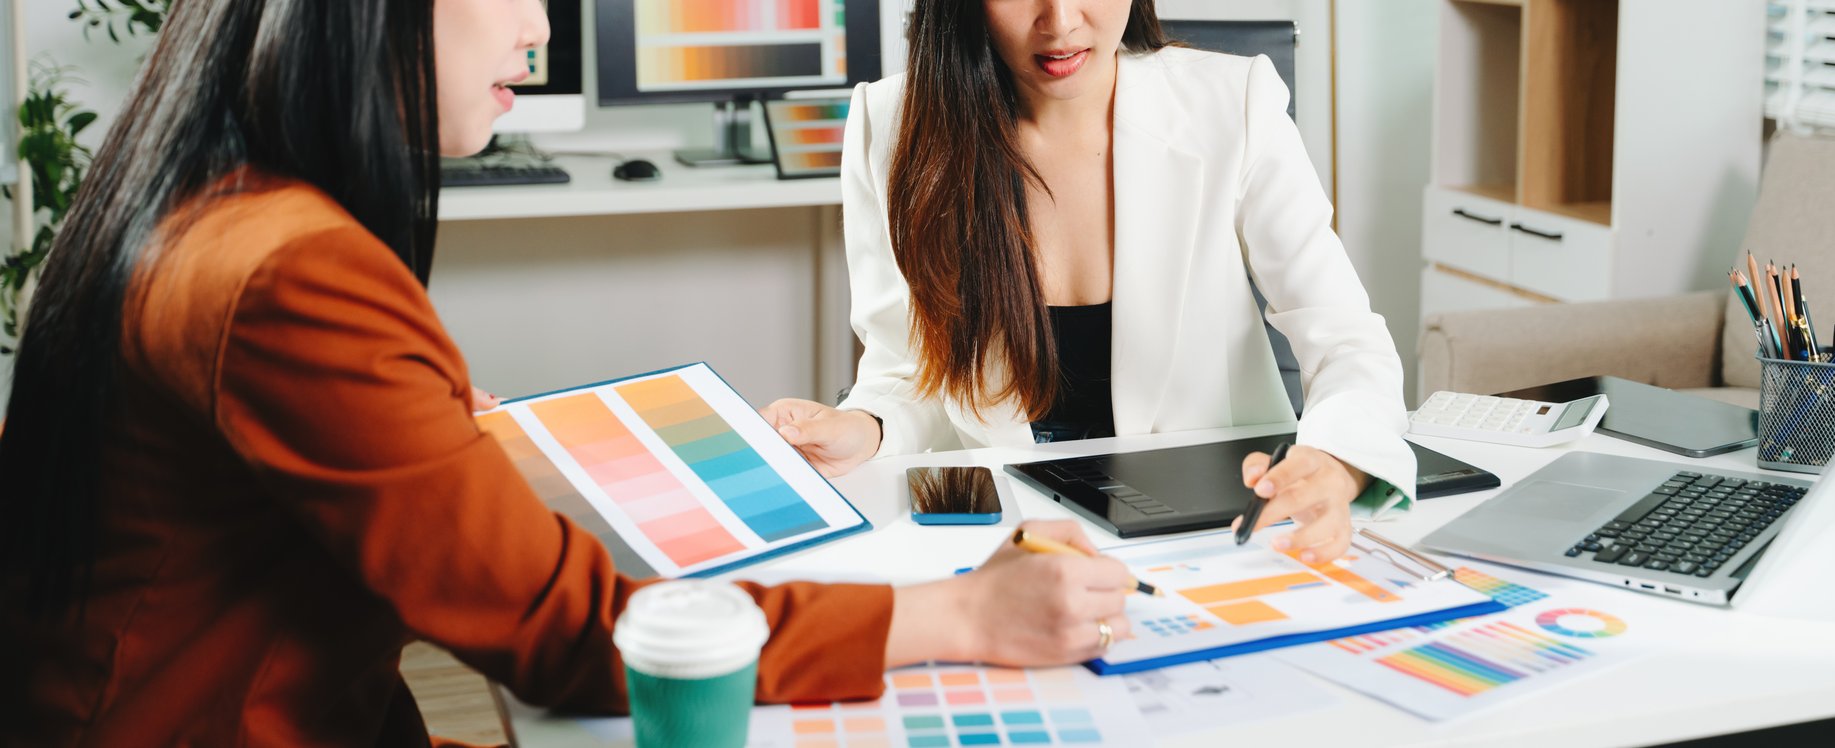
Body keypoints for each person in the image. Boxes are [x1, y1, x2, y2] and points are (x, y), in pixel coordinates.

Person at [0, 1, 1132, 744]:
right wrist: (964, 613)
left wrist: (438, 442)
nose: (539, 27)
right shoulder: (292, 274)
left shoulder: (208, 209)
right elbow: (573, 635)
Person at [762, 0, 1416, 563]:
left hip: (1214, 525)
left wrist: (1338, 458)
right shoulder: (893, 124)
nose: (1062, 22)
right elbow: (908, 372)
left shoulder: (1232, 101)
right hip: (1007, 535)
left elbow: (1345, 338)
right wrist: (866, 427)